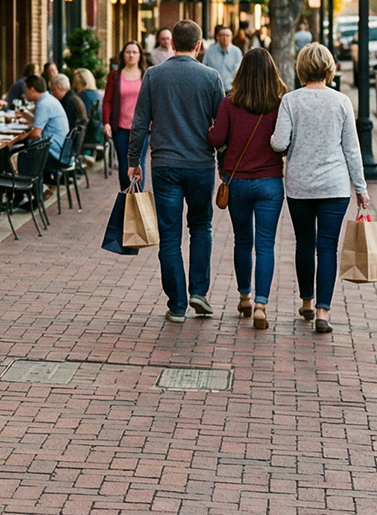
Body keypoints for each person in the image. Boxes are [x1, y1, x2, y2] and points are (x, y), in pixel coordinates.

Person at [127, 20, 225, 323]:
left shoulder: (154, 75)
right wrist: (224, 166)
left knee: (169, 236)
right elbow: (221, 129)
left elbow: (140, 122)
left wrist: (134, 160)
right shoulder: (211, 77)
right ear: (198, 45)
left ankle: (177, 304)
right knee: (201, 227)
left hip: (166, 164)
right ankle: (199, 291)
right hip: (200, 165)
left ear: (172, 44)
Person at [271, 43, 370, 333]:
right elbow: (353, 150)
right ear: (329, 68)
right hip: (335, 185)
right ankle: (323, 312)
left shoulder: (291, 101)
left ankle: (305, 300)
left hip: (300, 185)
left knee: (305, 243)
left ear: (301, 68)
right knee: (327, 247)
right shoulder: (341, 102)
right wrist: (361, 188)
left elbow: (278, 142)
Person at [208, 48, 288, 330]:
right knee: (265, 244)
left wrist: (209, 129)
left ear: (241, 71)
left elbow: (217, 139)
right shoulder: (280, 104)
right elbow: (285, 141)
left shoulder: (230, 103)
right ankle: (261, 306)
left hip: (237, 182)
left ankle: (244, 296)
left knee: (243, 240)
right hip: (269, 182)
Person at [102, 43, 146, 190]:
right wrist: (106, 123)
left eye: (134, 52)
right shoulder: (115, 76)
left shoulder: (146, 74)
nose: (131, 55)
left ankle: (138, 198)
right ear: (123, 55)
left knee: (139, 163)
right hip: (120, 128)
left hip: (141, 128)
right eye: (128, 52)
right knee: (124, 163)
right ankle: (126, 197)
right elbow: (107, 101)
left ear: (140, 55)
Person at [24, 74, 68, 164]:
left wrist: (21, 138)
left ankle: (18, 177)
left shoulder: (43, 104)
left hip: (53, 153)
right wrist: (28, 117)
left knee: (15, 153)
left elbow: (36, 134)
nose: (25, 94)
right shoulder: (48, 99)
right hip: (62, 150)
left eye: (26, 90)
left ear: (32, 90)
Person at [203, 24, 243, 93]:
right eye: (222, 35)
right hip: (213, 89)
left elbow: (239, 70)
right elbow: (204, 67)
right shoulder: (210, 51)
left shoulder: (236, 51)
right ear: (217, 37)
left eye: (227, 35)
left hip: (231, 89)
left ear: (231, 37)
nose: (225, 38)